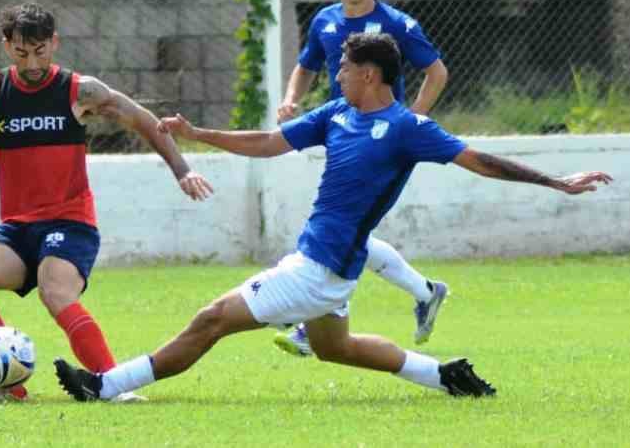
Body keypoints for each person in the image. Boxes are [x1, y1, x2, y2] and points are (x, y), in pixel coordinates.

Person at [52, 32, 611, 403]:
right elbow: (270, 142)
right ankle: (443, 375)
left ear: (369, 74)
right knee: (335, 348)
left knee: (211, 319)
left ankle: (104, 386)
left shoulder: (407, 129)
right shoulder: (339, 112)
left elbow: (479, 160)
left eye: (343, 67)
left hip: (319, 270)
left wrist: (555, 181)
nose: (336, 73)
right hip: (324, 263)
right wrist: (200, 134)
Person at [0, 3, 213, 405]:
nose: (33, 63)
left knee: (54, 290)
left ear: (54, 43)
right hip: (18, 230)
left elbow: (142, 118)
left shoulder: (79, 91)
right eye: (22, 53)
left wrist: (182, 170)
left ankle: (112, 385)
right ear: (7, 46)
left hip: (70, 223)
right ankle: (8, 387)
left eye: (40, 51)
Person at [275, 0, 451, 353]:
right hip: (342, 133)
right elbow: (305, 66)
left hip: (381, 141)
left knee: (345, 227)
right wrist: (291, 99)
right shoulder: (324, 21)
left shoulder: (397, 24)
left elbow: (437, 72)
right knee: (351, 229)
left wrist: (413, 120)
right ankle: (425, 291)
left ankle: (313, 325)